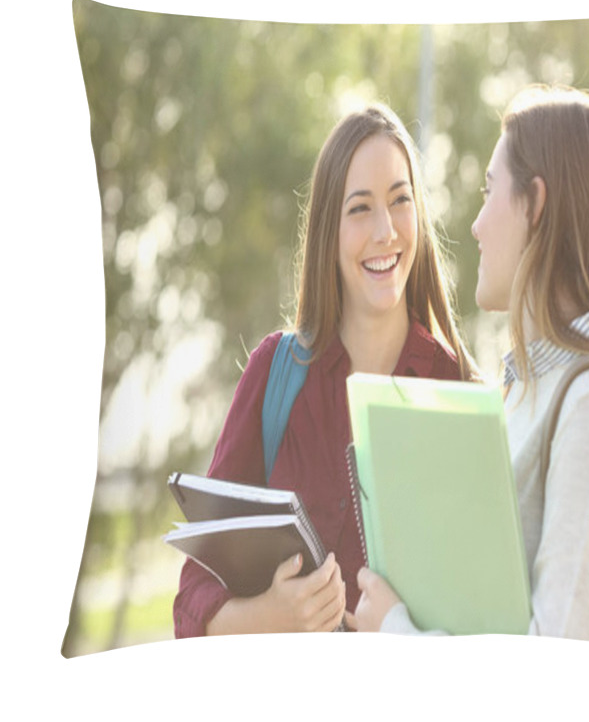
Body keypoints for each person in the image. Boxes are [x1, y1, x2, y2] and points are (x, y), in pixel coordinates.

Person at [354, 84, 589, 644]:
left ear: (535, 204)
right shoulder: (527, 388)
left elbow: (551, 665)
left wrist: (397, 631)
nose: (476, 225)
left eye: (491, 192)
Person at [173, 102, 476, 637]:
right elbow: (194, 592)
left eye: (400, 200)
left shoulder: (457, 390)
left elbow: (481, 614)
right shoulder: (275, 373)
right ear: (327, 232)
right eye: (360, 208)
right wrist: (264, 618)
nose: (385, 231)